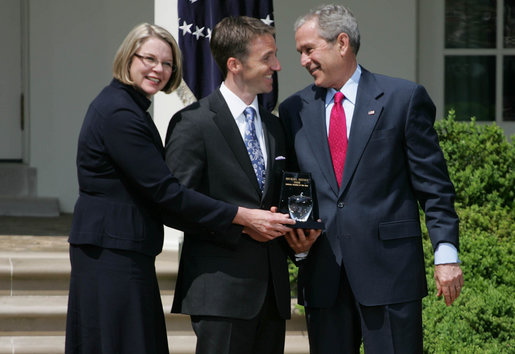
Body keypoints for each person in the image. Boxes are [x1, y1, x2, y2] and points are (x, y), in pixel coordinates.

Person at [65, 22, 294, 354]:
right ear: (128, 57)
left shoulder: (131, 109)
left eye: (168, 63)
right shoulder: (120, 112)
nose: (159, 69)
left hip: (127, 250)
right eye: (150, 59)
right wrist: (242, 217)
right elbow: (167, 193)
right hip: (111, 252)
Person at [278, 4, 464, 353]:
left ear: (342, 43)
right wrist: (297, 247)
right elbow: (293, 188)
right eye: (300, 52)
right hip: (324, 277)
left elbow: (434, 187)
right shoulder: (293, 110)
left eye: (308, 49)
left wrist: (446, 254)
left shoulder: (402, 99)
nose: (303, 60)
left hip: (390, 275)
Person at [165, 16, 320, 354]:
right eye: (267, 57)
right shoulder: (192, 124)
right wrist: (241, 220)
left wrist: (299, 238)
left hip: (272, 294)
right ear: (234, 64)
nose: (277, 66)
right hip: (220, 294)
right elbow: (175, 204)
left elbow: (281, 200)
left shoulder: (275, 127)